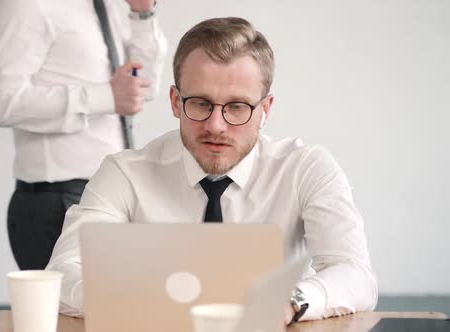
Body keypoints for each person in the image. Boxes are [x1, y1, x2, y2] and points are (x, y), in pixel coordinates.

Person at [46, 17, 378, 323]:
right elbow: (62, 274)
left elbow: (355, 274)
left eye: (237, 107)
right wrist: (137, 297)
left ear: (266, 109)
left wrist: (289, 301)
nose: (216, 126)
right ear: (176, 102)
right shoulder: (124, 173)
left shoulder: (306, 169)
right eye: (201, 104)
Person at [0, 0, 167, 270]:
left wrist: (142, 13)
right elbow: (2, 103)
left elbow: (143, 88)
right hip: (57, 202)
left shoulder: (105, 6)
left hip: (113, 194)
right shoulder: (23, 5)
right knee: (63, 312)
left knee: (114, 308)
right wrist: (105, 96)